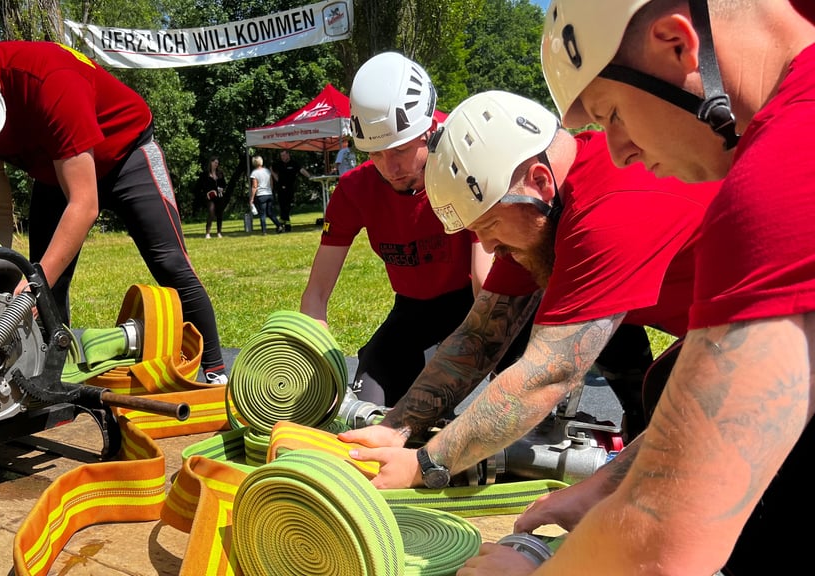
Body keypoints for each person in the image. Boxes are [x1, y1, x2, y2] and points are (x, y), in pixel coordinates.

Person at [460, 1, 815, 574]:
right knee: (673, 380)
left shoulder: (781, 170)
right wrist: (608, 483)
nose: (619, 150)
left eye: (613, 113)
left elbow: (666, 541)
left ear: (677, 44)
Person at [341, 89, 719, 486]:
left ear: (539, 181)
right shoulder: (540, 211)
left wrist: (427, 465)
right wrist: (397, 426)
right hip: (734, 333)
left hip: (781, 333)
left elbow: (548, 374)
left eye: (489, 225)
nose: (487, 247)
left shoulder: (606, 211)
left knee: (670, 431)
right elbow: (479, 337)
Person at [0, 0, 229, 384]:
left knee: (168, 263)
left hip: (126, 154)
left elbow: (85, 204)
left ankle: (214, 370)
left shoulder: (48, 80)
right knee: (41, 277)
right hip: (55, 172)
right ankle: (49, 377)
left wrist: (33, 286)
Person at [300, 52, 481, 408]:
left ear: (428, 132)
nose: (390, 168)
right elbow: (316, 295)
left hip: (473, 302)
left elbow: (485, 282)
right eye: (376, 154)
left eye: (399, 150)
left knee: (430, 402)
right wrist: (313, 355)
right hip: (412, 310)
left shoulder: (464, 168)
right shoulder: (356, 189)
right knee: (368, 405)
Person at [271, 149, 312, 231]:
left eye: (284, 155)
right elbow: (271, 169)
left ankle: (281, 223)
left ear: (288, 155)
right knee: (282, 207)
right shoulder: (278, 164)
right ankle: (287, 226)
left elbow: (302, 170)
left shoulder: (294, 163)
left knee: (288, 206)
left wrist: (310, 176)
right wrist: (276, 178)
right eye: (281, 156)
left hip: (290, 188)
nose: (282, 157)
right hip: (281, 188)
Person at [248, 155, 282, 234]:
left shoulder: (254, 173)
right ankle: (279, 225)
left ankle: (264, 231)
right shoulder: (267, 171)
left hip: (261, 195)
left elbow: (254, 186)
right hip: (269, 194)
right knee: (270, 212)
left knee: (262, 213)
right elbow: (271, 183)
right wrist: (270, 191)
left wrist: (252, 198)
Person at [196, 156, 227, 239]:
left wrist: (221, 188)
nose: (216, 164)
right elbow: (200, 186)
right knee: (211, 213)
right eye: (215, 162)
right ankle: (208, 233)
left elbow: (224, 184)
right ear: (211, 162)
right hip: (209, 197)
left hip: (219, 196)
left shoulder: (220, 173)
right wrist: (206, 193)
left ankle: (219, 232)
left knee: (219, 214)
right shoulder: (205, 174)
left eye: (217, 163)